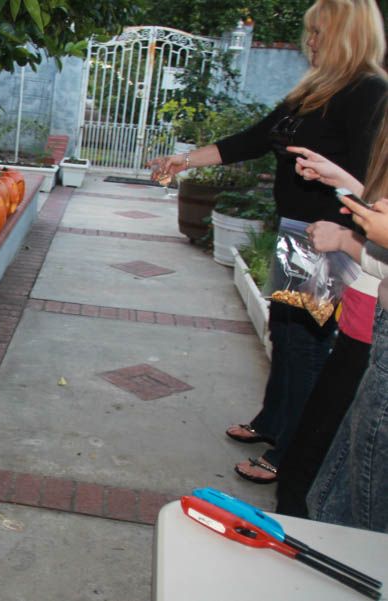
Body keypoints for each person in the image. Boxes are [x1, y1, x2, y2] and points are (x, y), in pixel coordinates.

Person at [148, 0, 388, 484]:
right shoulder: (317, 88)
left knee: (306, 346)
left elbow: (372, 181)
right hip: (297, 234)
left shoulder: (369, 92)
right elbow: (256, 139)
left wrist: (346, 239)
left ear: (345, 34)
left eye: (319, 33)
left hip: (328, 244)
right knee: (286, 331)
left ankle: (291, 450)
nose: (311, 42)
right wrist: (186, 159)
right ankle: (272, 420)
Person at [269, 147, 379, 517]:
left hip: (370, 345)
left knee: (314, 484)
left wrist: (347, 241)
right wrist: (345, 183)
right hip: (360, 336)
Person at [292, 131, 388, 532]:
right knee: (329, 498)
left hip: (373, 335)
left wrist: (350, 242)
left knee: (359, 518)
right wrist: (344, 182)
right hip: (373, 329)